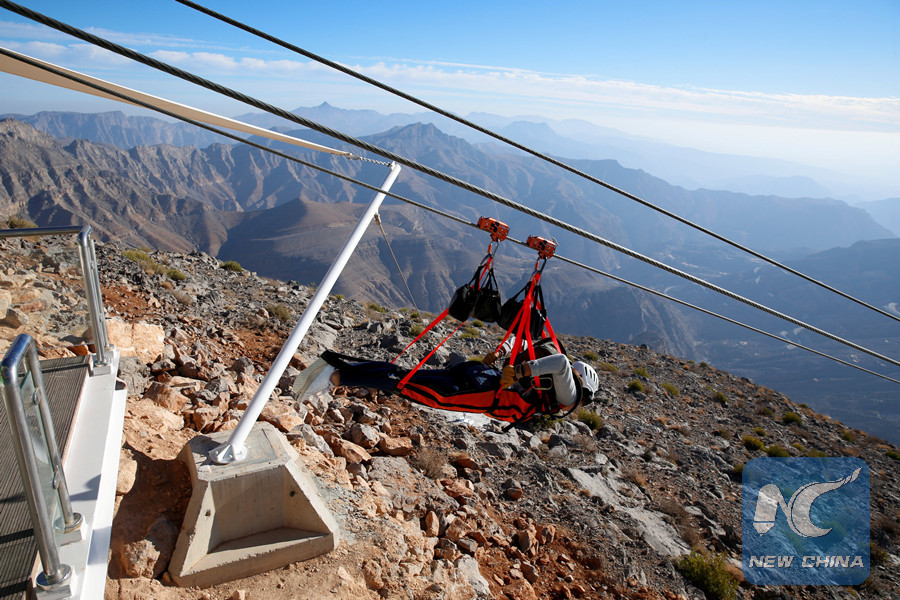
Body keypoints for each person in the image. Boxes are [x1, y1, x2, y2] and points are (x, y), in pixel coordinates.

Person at [293, 340, 600, 424]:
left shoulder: (549, 383)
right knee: (403, 384)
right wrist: (520, 373)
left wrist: (502, 353)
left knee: (403, 375)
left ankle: (338, 368)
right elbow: (560, 363)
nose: (577, 406)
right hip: (482, 392)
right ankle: (336, 376)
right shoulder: (568, 397)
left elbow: (526, 342)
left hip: (481, 375)